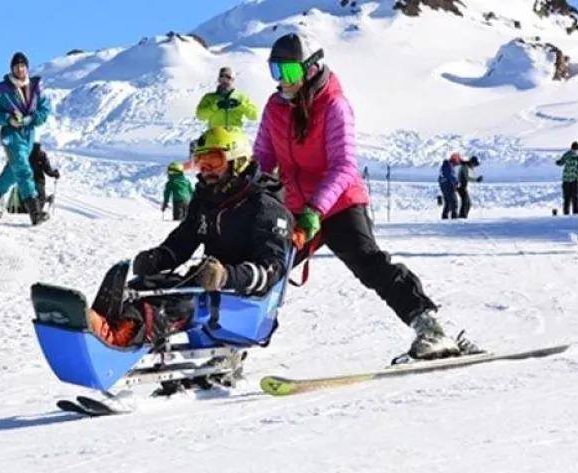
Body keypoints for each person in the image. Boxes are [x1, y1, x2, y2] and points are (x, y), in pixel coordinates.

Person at [253, 33, 477, 360]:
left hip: (340, 203)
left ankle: (430, 327)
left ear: (311, 69)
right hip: (296, 207)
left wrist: (316, 210)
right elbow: (262, 159)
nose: (282, 83)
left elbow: (343, 166)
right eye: (276, 72)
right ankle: (230, 346)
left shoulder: (334, 105)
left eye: (288, 73)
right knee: (263, 266)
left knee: (369, 262)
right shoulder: (275, 108)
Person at [88, 127, 293, 347]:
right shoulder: (208, 197)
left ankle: (120, 336)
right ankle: (103, 323)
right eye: (200, 162)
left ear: (238, 161)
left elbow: (273, 269)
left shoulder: (266, 208)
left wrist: (226, 276)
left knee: (178, 302)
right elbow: (184, 239)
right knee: (144, 286)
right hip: (210, 284)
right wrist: (158, 258)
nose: (206, 170)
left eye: (214, 161)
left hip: (244, 301)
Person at [0, 52, 52, 223]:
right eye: (16, 66)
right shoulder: (1, 90)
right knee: (23, 170)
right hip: (11, 135)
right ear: (12, 69)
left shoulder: (36, 88)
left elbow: (44, 111)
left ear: (27, 67)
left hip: (28, 135)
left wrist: (30, 119)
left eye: (22, 65)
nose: (20, 69)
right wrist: (8, 119)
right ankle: (35, 212)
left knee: (12, 173)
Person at [28, 142, 60, 214]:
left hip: (26, 179)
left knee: (29, 196)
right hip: (38, 179)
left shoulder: (25, 152)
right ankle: (38, 213)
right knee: (41, 197)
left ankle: (30, 210)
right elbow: (48, 170)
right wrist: (55, 174)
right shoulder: (41, 155)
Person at [556, 141, 578, 215]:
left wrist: (558, 162)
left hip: (570, 180)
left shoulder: (572, 155)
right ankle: (571, 214)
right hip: (572, 180)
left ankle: (571, 214)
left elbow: (561, 163)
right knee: (571, 198)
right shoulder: (576, 156)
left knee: (571, 198)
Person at [438, 153, 462, 220]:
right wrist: (457, 183)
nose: (457, 164)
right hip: (448, 186)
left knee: (448, 202)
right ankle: (454, 218)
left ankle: (444, 218)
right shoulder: (448, 165)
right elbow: (451, 176)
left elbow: (440, 178)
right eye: (457, 161)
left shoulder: (445, 166)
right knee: (454, 202)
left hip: (444, 186)